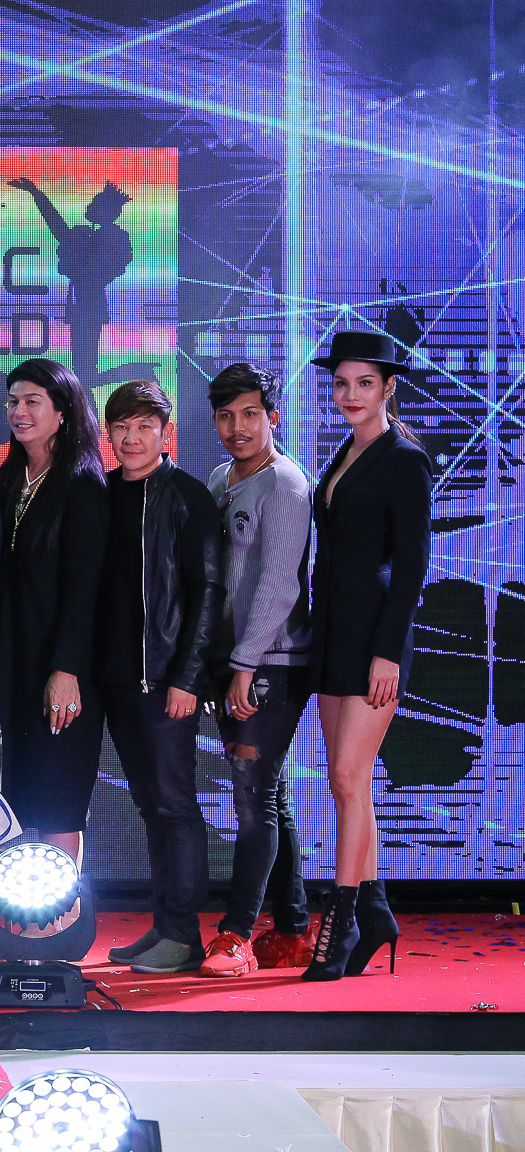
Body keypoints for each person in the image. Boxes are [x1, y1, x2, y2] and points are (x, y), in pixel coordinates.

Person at [302, 331, 431, 982]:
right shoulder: (347, 451)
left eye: (364, 383)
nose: (349, 394)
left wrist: (387, 654)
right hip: (333, 634)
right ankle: (376, 911)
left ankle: (343, 918)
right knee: (345, 783)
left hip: (375, 640)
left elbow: (412, 566)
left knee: (350, 780)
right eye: (340, 383)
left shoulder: (405, 460)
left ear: (388, 388)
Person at [92, 381, 221, 976]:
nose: (132, 438)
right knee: (150, 806)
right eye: (122, 427)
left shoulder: (187, 496)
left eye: (144, 426)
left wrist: (189, 678)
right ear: (108, 433)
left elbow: (207, 593)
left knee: (174, 805)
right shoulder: (101, 493)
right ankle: (165, 926)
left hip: (167, 680)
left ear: (165, 433)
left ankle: (184, 933)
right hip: (117, 681)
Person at [199, 363, 315, 978]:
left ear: (273, 417)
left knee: (253, 798)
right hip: (231, 662)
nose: (237, 427)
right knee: (268, 793)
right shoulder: (221, 478)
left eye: (250, 414)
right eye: (225, 416)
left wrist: (245, 664)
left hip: (273, 662)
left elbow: (279, 586)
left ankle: (236, 934)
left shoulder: (286, 484)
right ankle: (293, 929)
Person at [0, 357, 108, 863]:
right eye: (13, 402)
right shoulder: (3, 483)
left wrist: (67, 670)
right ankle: (9, 909)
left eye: (32, 402)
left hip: (62, 670)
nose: (19, 412)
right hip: (8, 665)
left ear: (63, 412)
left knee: (59, 798)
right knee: (9, 796)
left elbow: (86, 591)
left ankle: (64, 910)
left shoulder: (83, 486)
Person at [8, 177, 135, 385]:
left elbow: (59, 228)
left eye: (95, 203)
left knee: (85, 370)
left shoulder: (110, 237)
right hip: (82, 303)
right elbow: (56, 225)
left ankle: (129, 375)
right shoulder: (89, 235)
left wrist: (36, 193)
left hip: (89, 304)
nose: (90, 206)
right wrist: (36, 193)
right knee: (83, 368)